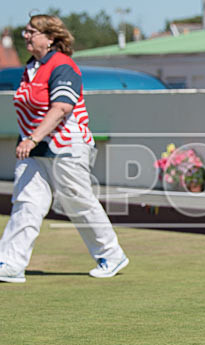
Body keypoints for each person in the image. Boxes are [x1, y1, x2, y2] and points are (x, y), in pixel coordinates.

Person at [0, 15, 128, 284]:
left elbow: (61, 108)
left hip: (66, 145)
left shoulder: (62, 66)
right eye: (25, 31)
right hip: (36, 148)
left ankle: (111, 254)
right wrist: (32, 140)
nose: (26, 36)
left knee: (77, 201)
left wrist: (32, 139)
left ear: (50, 38)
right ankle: (10, 263)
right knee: (27, 202)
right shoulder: (31, 67)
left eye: (32, 32)